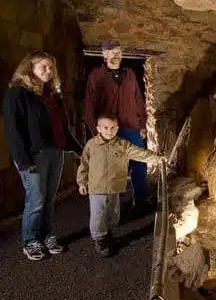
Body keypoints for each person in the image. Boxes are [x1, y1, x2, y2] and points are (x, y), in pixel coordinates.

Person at [3, 50, 82, 261]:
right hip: (33, 155)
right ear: (30, 69)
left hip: (55, 152)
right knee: (36, 199)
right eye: (43, 67)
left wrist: (80, 149)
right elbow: (13, 129)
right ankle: (30, 241)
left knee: (48, 198)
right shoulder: (18, 94)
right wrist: (22, 160)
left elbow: (62, 127)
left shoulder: (52, 95)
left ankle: (46, 235)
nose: (48, 71)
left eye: (50, 67)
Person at [76, 114, 163, 257]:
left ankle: (108, 232)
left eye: (113, 128)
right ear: (98, 128)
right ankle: (100, 239)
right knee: (98, 213)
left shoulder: (122, 144)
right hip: (96, 188)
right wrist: (82, 182)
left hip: (114, 186)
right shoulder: (92, 145)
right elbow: (84, 164)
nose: (109, 131)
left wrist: (156, 158)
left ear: (117, 128)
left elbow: (138, 153)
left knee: (113, 213)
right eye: (106, 127)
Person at [84, 40, 149, 209]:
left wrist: (142, 124)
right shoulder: (96, 75)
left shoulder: (129, 74)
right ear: (104, 55)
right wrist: (95, 131)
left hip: (131, 126)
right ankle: (110, 207)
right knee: (111, 169)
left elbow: (138, 100)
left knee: (140, 164)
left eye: (119, 52)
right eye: (112, 52)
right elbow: (90, 106)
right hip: (108, 130)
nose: (116, 55)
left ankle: (141, 200)